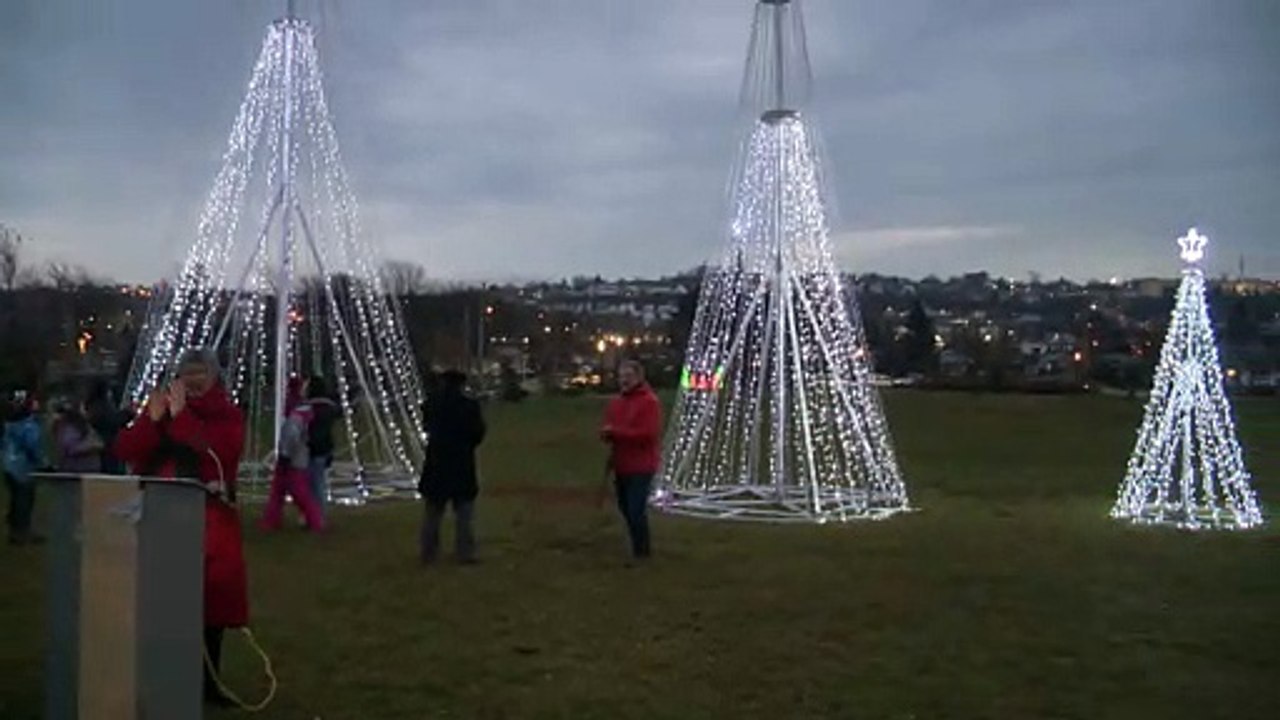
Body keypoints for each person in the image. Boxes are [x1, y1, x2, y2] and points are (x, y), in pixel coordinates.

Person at [113, 348, 248, 707]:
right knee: (166, 602)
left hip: (209, 521)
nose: (193, 379)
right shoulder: (164, 408)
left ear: (213, 375)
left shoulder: (226, 414)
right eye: (187, 372)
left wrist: (182, 418)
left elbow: (218, 456)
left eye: (200, 372)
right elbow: (127, 450)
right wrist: (151, 421)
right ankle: (163, 677)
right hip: (162, 517)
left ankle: (209, 681)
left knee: (210, 602)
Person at [418, 370, 485, 564]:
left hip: (437, 461)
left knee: (433, 511)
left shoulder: (431, 405)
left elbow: (426, 426)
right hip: (461, 462)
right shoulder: (469, 406)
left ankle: (429, 552)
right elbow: (478, 432)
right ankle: (465, 552)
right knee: (464, 512)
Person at [600, 360, 663, 561]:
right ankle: (638, 545)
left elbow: (648, 434)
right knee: (625, 508)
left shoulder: (649, 402)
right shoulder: (616, 403)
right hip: (622, 463)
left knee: (636, 509)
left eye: (628, 376)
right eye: (621, 376)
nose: (624, 380)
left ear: (638, 377)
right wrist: (606, 434)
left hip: (642, 465)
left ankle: (642, 552)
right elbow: (608, 425)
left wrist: (617, 433)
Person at [260, 377, 324, 532]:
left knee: (298, 493)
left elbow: (292, 436)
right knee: (279, 491)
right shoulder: (305, 412)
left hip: (292, 460)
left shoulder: (298, 414)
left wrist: (285, 455)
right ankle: (271, 521)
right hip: (295, 457)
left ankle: (315, 521)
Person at [3, 394, 46, 545]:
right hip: (23, 468)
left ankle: (14, 531)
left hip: (9, 465)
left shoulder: (10, 424)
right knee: (24, 501)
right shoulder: (29, 425)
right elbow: (32, 446)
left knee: (15, 500)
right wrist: (42, 462)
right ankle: (23, 532)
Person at [303, 376, 338, 521]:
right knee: (315, 483)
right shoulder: (327, 407)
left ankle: (318, 516)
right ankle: (314, 514)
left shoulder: (313, 408)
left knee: (315, 484)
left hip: (314, 450)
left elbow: (315, 430)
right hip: (322, 449)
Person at [85, 380, 128, 475]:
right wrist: (128, 414)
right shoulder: (101, 407)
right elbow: (113, 420)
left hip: (106, 444)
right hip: (108, 444)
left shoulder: (93, 406)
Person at [53, 402, 104, 474]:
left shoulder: (84, 426)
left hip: (85, 469)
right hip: (76, 469)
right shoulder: (65, 427)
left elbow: (99, 443)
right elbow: (67, 448)